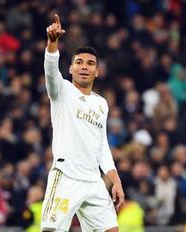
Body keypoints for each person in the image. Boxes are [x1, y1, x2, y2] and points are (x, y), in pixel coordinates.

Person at [41, 14, 124, 232]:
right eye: (79, 62)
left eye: (90, 64)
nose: (84, 67)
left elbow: (102, 146)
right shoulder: (61, 91)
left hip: (94, 181)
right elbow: (50, 72)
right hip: (66, 176)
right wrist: (52, 43)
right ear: (70, 69)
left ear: (97, 72)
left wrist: (115, 180)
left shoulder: (101, 104)